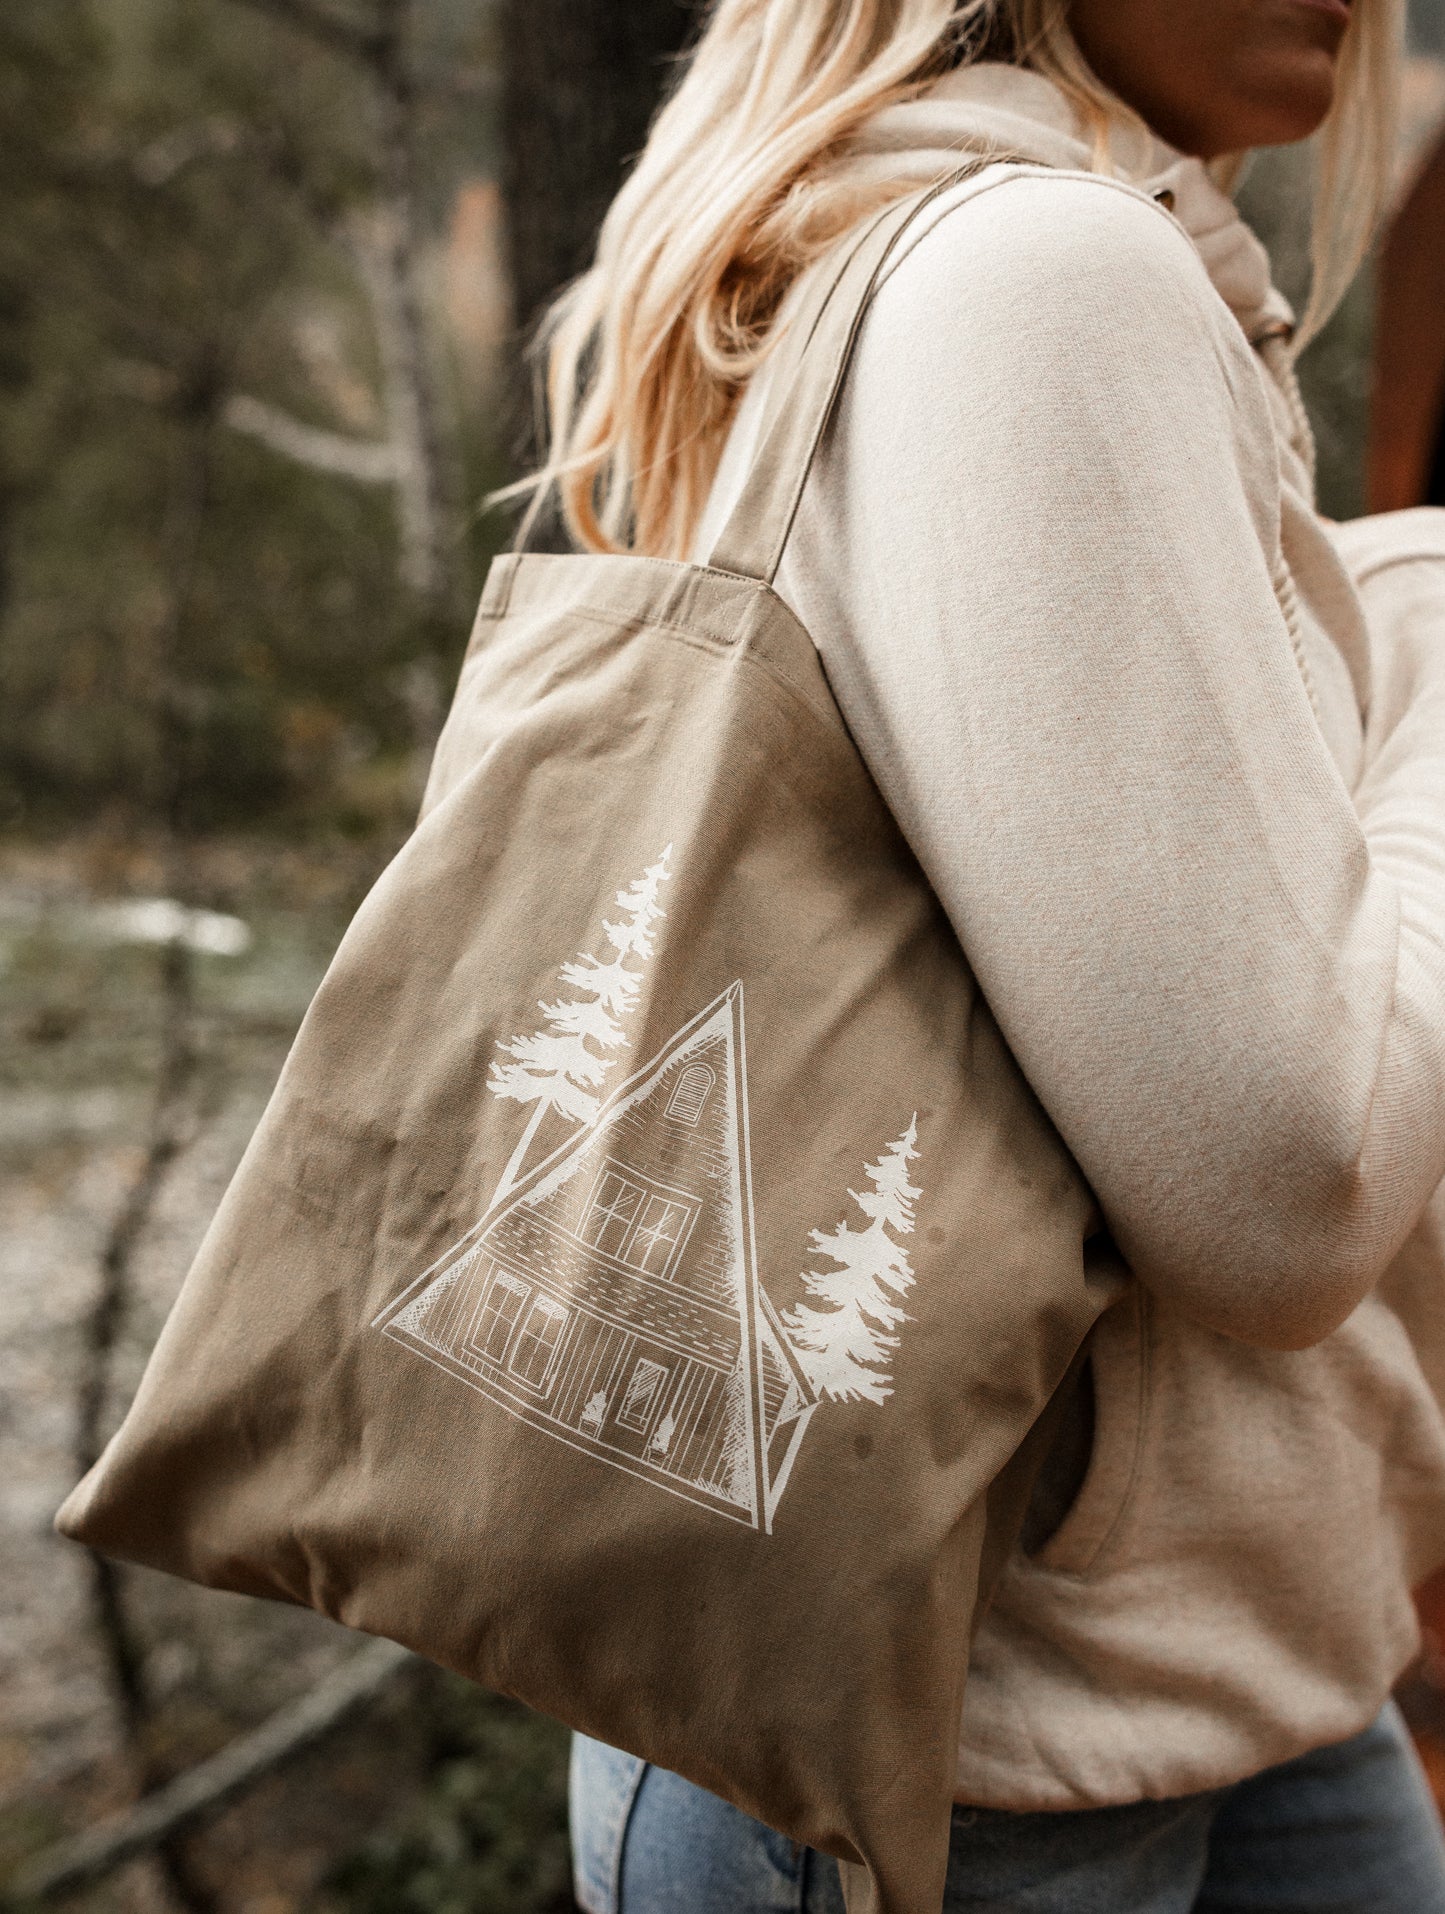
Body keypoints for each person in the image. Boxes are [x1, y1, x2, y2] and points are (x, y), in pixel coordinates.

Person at [517, 0, 1445, 1907]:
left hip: (1204, 1654)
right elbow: (1281, 1189)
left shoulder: (1084, 267)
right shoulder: (1036, 274)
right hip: (952, 1734)